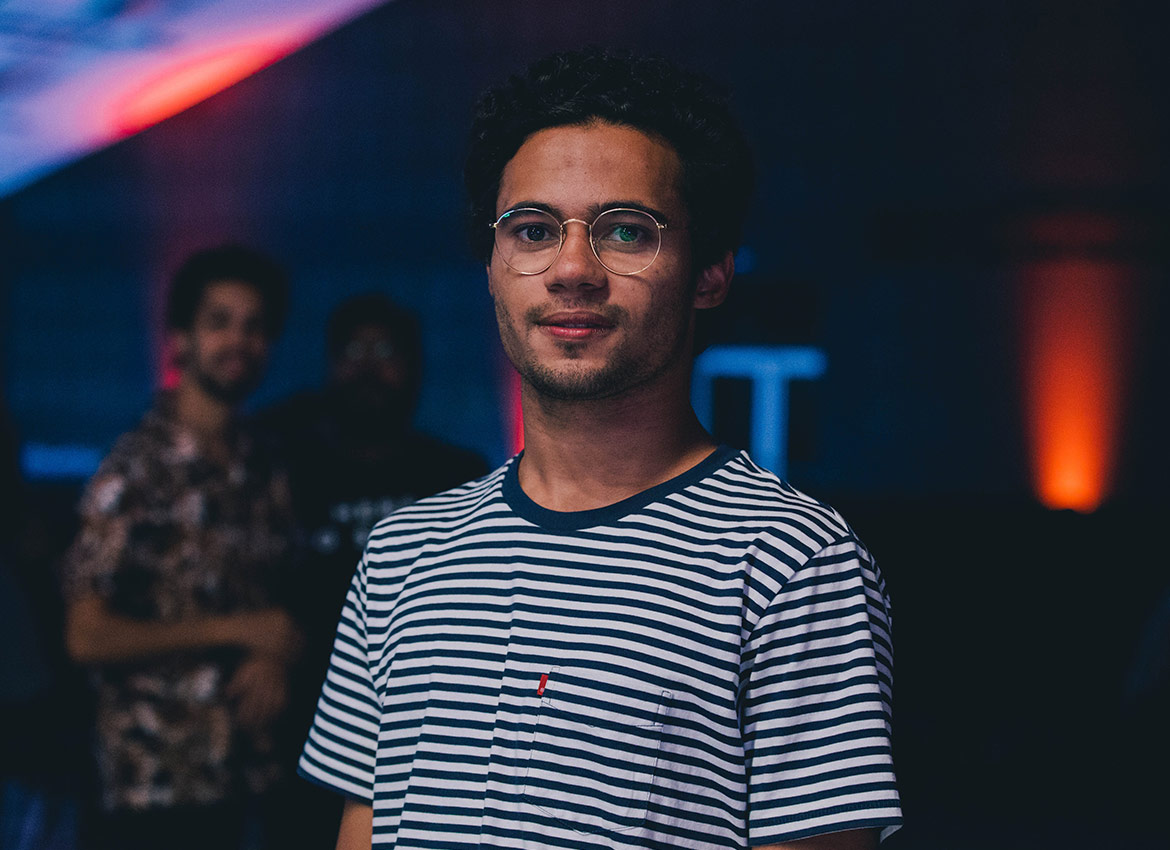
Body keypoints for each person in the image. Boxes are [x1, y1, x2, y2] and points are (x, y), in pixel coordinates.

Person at [299, 47, 902, 849]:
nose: (572, 269)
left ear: (710, 272)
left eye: (625, 231)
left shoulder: (790, 562)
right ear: (493, 266)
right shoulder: (404, 554)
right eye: (533, 230)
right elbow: (363, 830)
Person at [61, 244, 302, 850]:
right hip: (152, 786)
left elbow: (276, 605)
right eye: (219, 322)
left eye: (254, 326)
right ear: (181, 341)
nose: (238, 341)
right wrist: (236, 630)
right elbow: (85, 636)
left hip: (248, 779)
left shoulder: (263, 465)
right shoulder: (133, 472)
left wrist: (271, 653)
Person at [257, 293, 488, 847]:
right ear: (330, 365)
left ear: (414, 367)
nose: (367, 367)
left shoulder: (458, 476)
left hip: (426, 730)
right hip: (296, 731)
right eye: (353, 351)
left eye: (384, 352)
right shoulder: (286, 468)